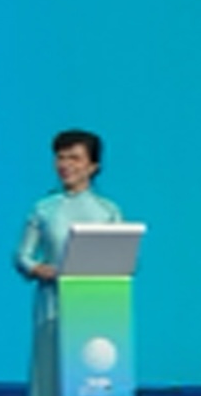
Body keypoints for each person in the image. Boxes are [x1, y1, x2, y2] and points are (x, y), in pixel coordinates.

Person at [15, 128, 122, 325]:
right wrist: (37, 268)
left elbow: (125, 258)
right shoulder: (43, 209)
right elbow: (21, 256)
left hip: (98, 304)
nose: (65, 165)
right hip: (52, 305)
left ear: (93, 166)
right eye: (60, 158)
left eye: (75, 158)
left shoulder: (108, 211)